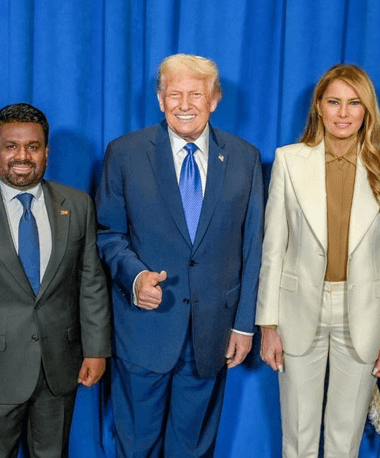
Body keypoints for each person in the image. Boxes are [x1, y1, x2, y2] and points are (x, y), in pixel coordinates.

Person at [96, 53, 264, 457]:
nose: (184, 104)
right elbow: (108, 233)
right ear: (160, 99)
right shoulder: (124, 153)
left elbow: (254, 245)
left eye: (196, 94)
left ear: (215, 99)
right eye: (174, 94)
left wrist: (244, 326)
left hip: (212, 335)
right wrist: (136, 277)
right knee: (136, 446)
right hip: (143, 331)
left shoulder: (245, 157)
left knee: (192, 449)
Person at [0, 103, 111, 457]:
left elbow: (91, 283)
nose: (22, 156)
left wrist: (96, 349)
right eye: (11, 146)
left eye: (33, 146)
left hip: (59, 369)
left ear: (46, 152)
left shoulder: (78, 205)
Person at [256, 64, 380, 457]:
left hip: (364, 313)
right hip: (297, 309)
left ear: (367, 110)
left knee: (345, 437)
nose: (343, 113)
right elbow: (273, 248)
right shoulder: (289, 161)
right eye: (334, 102)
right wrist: (268, 324)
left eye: (354, 103)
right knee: (298, 435)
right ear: (318, 107)